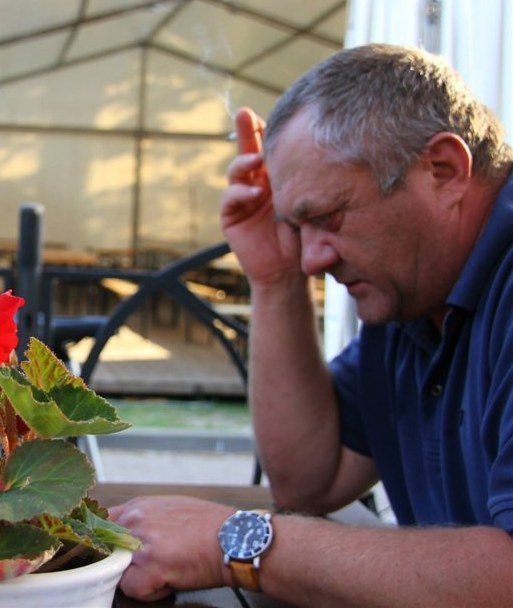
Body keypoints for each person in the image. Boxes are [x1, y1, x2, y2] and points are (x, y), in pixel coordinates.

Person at [110, 43, 513, 606]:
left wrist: (234, 542)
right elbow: (309, 481)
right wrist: (274, 280)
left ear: (443, 170)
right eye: (298, 228)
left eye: (327, 218)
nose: (312, 259)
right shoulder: (414, 295)